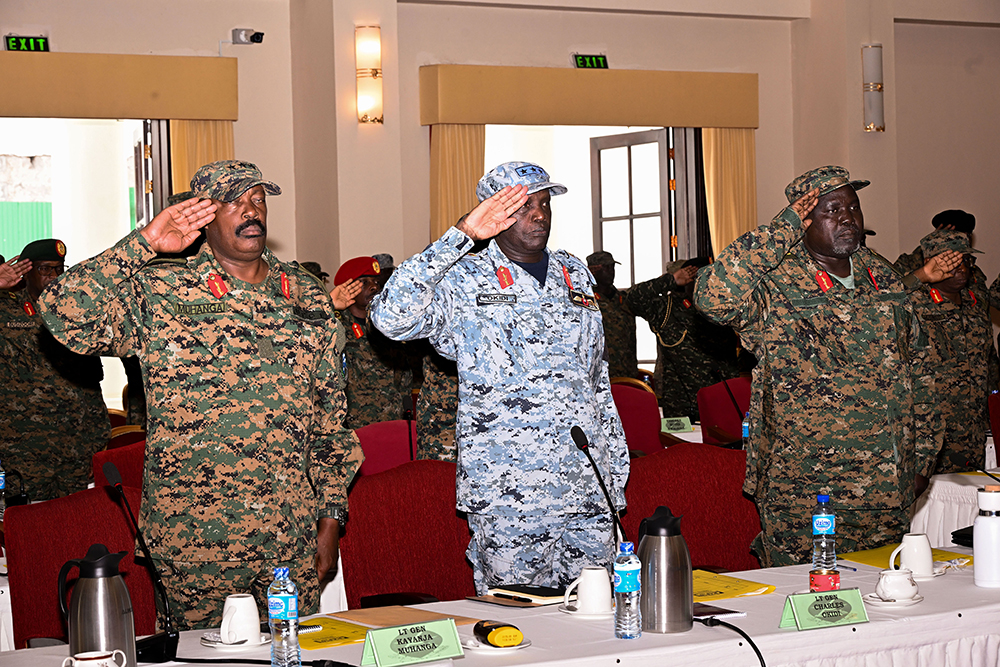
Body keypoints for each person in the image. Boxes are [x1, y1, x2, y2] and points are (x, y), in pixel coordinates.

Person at [38, 160, 363, 630]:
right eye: (233, 201)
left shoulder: (307, 297)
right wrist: (143, 244)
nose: (250, 211)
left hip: (287, 538)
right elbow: (62, 315)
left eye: (257, 199)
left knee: (291, 657)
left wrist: (331, 521)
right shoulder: (161, 290)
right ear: (204, 216)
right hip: (195, 540)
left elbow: (331, 424)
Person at [371, 161, 629, 593]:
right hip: (512, 492)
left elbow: (595, 375)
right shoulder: (463, 277)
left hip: (588, 483)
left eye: (544, 203)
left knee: (595, 615)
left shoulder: (574, 272)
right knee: (518, 623)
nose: (539, 214)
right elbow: (390, 319)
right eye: (523, 205)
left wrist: (614, 468)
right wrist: (462, 236)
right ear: (491, 212)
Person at [695, 165, 960, 567]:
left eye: (853, 208)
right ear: (803, 219)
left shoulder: (883, 277)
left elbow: (920, 373)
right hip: (803, 491)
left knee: (884, 603)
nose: (848, 218)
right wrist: (780, 231)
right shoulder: (774, 282)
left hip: (885, 489)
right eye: (832, 210)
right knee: (806, 607)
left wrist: (920, 463)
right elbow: (711, 297)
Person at [0, 239, 109, 501]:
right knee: (28, 526)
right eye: (45, 269)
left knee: (73, 524)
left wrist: (97, 435)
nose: (54, 277)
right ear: (25, 271)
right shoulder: (5, 308)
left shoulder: (78, 310)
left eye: (59, 269)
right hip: (24, 448)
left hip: (76, 444)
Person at [908, 230, 999, 474]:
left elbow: (988, 361)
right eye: (952, 262)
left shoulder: (975, 304)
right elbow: (878, 299)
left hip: (973, 435)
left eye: (966, 261)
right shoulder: (912, 304)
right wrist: (918, 276)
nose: (962, 269)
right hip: (933, 438)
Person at [628, 257, 741, 420]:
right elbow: (633, 299)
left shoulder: (723, 309)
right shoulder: (667, 309)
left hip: (719, 402)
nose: (704, 287)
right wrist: (671, 280)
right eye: (697, 280)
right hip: (680, 407)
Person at [333, 256, 418, 429]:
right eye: (364, 282)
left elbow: (405, 376)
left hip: (394, 422)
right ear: (346, 289)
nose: (374, 287)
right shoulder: (337, 328)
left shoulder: (389, 325)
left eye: (376, 282)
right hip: (356, 427)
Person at [586, 251, 637, 380]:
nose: (611, 271)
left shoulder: (623, 299)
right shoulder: (586, 302)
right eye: (605, 267)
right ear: (593, 271)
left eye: (612, 267)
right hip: (599, 377)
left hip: (627, 373)